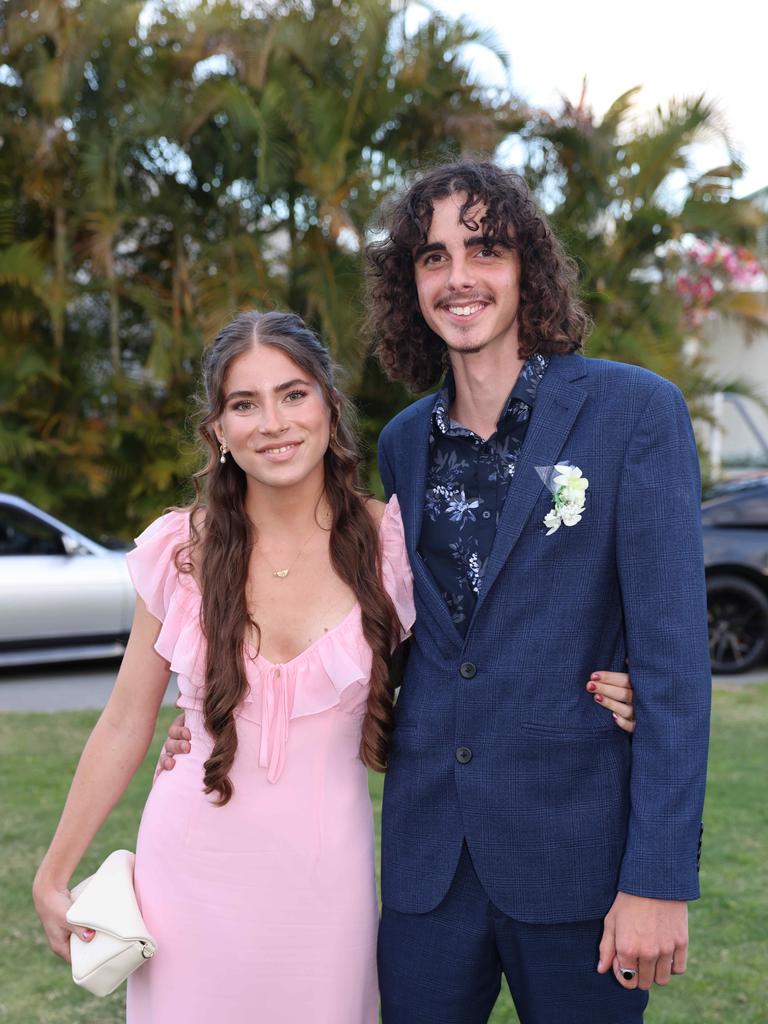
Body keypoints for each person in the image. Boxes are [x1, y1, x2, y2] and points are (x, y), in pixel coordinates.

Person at [361, 160, 711, 1023]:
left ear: (528, 269)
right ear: (411, 284)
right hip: (428, 864)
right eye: (434, 258)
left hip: (579, 863)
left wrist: (658, 878)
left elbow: (672, 660)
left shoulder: (635, 413)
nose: (460, 278)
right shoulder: (404, 442)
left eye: (485, 249)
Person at [33, 310, 416, 1022]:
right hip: (190, 882)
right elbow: (124, 722)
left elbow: (474, 672)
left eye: (293, 394)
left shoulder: (390, 546)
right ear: (218, 431)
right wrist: (52, 875)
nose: (273, 422)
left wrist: (617, 684)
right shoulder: (181, 552)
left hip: (324, 891)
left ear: (330, 410)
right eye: (245, 403)